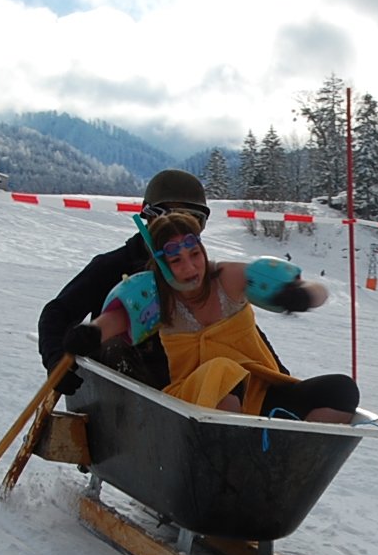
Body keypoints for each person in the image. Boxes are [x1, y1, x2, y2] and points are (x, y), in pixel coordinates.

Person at [63, 211, 359, 424]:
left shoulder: (226, 278)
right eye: (176, 261)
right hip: (194, 401)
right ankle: (237, 452)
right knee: (222, 369)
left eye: (195, 254)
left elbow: (315, 289)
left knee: (341, 390)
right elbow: (115, 321)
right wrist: (90, 333)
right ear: (162, 265)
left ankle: (290, 458)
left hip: (258, 393)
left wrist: (303, 295)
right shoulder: (156, 295)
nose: (191, 268)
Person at [37, 169, 287, 402]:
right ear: (149, 217)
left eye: (194, 219)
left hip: (191, 391)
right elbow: (58, 312)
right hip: (129, 398)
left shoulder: (199, 275)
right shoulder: (114, 266)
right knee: (115, 342)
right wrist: (56, 358)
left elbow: (240, 329)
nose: (178, 229)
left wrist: (281, 380)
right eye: (172, 216)